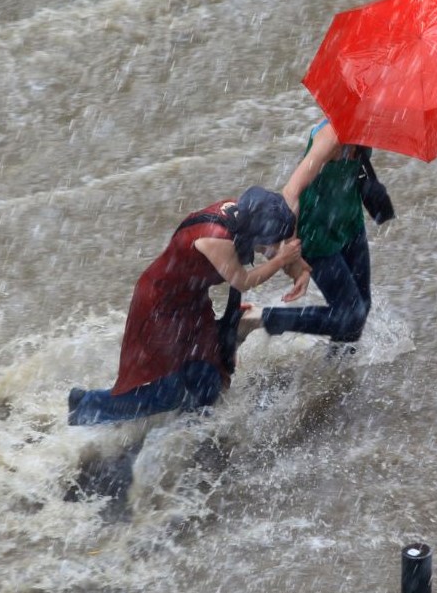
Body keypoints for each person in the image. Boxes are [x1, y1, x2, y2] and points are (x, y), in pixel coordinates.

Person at [68, 187, 306, 426]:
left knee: (209, 379)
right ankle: (87, 405)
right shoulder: (215, 235)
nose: (278, 245)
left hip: (191, 301)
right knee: (168, 391)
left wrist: (299, 271)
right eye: (274, 241)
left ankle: (184, 434)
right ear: (257, 233)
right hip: (160, 306)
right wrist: (281, 261)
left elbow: (272, 250)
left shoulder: (247, 213)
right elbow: (242, 280)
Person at [241, 117, 389, 349]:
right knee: (350, 317)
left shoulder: (364, 129)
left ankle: (338, 375)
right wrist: (293, 255)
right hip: (316, 235)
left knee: (361, 308)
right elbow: (291, 192)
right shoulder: (330, 138)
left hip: (350, 224)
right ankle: (257, 318)